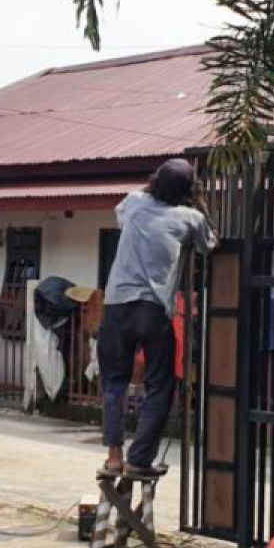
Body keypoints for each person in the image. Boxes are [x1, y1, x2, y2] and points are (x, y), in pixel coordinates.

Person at [99, 158, 218, 478]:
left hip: (116, 306)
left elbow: (122, 214)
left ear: (154, 182)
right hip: (152, 311)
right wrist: (201, 202)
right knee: (160, 387)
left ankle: (113, 457)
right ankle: (138, 460)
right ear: (188, 191)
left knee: (114, 384)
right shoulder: (190, 218)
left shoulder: (135, 203)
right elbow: (211, 245)